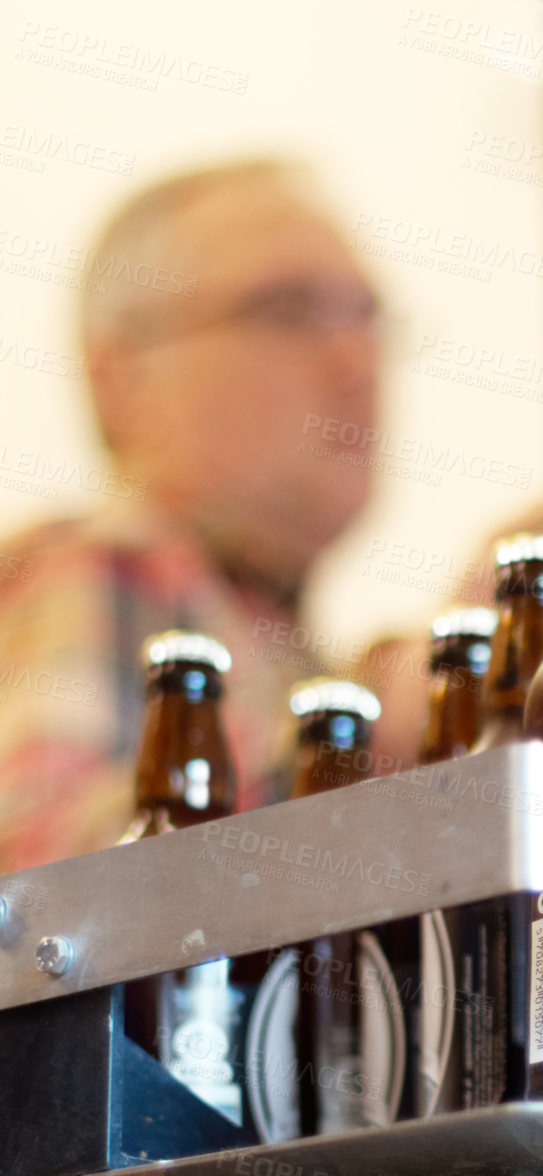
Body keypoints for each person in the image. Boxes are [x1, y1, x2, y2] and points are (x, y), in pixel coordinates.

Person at [0, 158, 382, 869]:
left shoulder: (292, 646)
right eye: (288, 309)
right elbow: (32, 892)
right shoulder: (107, 565)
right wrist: (366, 727)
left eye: (368, 315)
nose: (357, 360)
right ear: (123, 378)